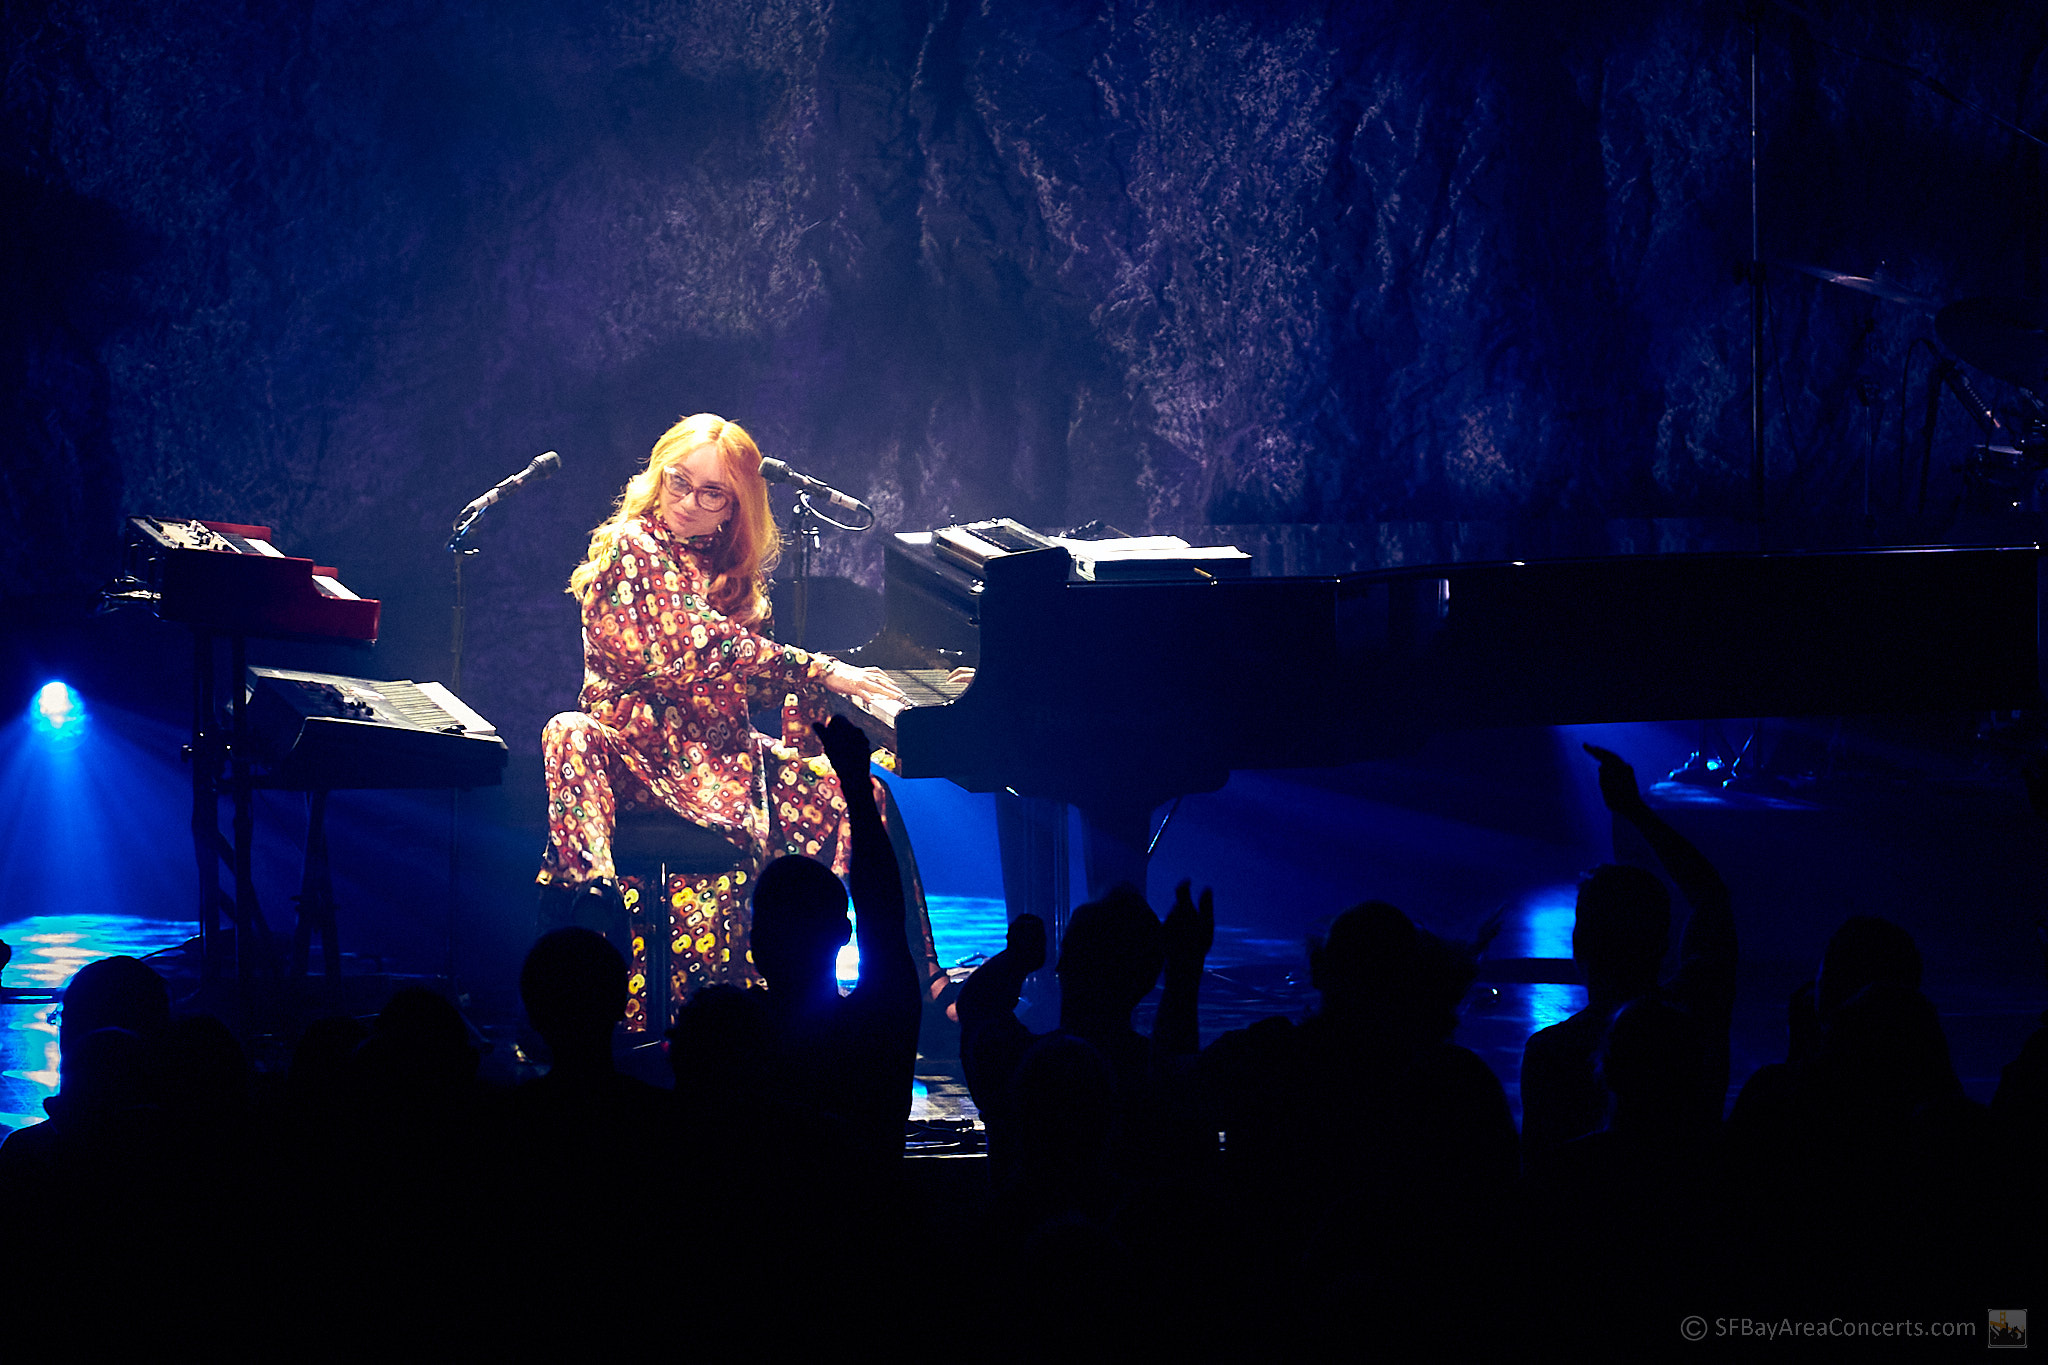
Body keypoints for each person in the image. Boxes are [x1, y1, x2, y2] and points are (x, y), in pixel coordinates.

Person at [537, 412, 937, 1007]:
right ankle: (591, 908)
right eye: (679, 482)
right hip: (638, 759)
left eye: (712, 493)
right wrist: (821, 670)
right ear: (658, 476)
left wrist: (845, 705)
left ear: (734, 505)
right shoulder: (631, 547)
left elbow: (752, 684)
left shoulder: (728, 571)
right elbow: (701, 644)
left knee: (864, 797)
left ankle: (915, 979)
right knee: (568, 731)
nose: (691, 502)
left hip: (729, 766)